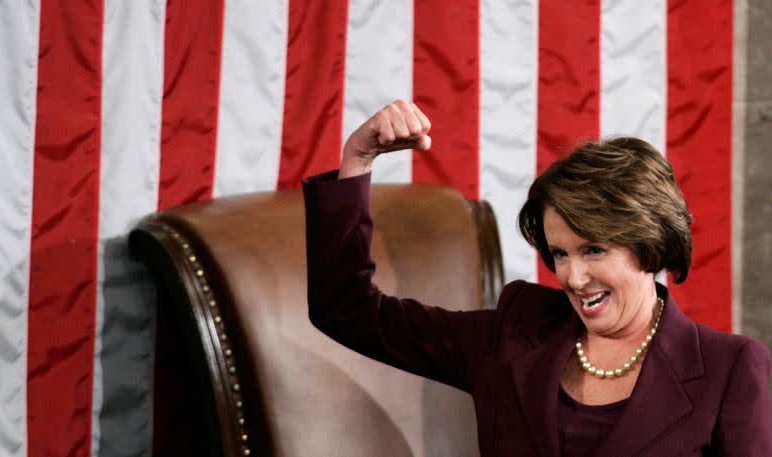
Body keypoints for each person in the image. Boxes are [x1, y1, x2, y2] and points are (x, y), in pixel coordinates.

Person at [303, 100, 772, 456]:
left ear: (651, 244)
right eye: (560, 254)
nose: (574, 276)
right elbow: (348, 310)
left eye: (593, 249)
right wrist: (357, 159)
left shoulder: (729, 369)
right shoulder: (512, 334)